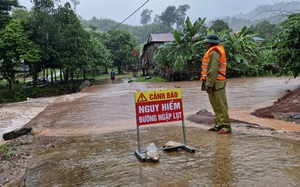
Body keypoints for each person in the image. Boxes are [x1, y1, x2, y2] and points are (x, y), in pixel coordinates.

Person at [200, 34, 231, 134]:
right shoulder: (215, 51)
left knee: (220, 105)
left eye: (206, 42)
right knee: (216, 105)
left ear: (210, 43)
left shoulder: (214, 52)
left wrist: (209, 85)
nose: (205, 44)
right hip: (216, 83)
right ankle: (218, 125)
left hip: (216, 83)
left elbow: (213, 70)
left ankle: (226, 126)